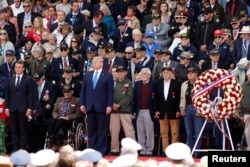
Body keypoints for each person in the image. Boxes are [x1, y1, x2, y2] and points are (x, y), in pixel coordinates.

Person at [80, 56, 114, 155]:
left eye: (96, 61)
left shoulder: (107, 75)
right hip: (89, 106)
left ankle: (101, 151)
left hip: (102, 106)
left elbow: (110, 92)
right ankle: (92, 149)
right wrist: (82, 103)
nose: (93, 63)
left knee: (102, 130)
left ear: (102, 63)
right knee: (91, 129)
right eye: (93, 62)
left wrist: (109, 105)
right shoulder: (88, 75)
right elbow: (83, 91)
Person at [5, 60, 33, 151]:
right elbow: (7, 94)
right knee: (14, 129)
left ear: (23, 68)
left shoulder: (28, 79)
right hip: (12, 107)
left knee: (23, 130)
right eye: (16, 67)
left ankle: (22, 147)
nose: (17, 69)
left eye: (19, 67)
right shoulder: (10, 79)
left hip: (23, 108)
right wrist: (7, 107)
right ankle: (15, 147)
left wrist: (29, 108)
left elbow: (31, 95)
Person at [154, 66, 181, 155]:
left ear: (171, 73)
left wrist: (178, 110)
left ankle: (174, 151)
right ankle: (165, 150)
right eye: (164, 73)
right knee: (164, 133)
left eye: (167, 72)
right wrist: (156, 110)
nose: (165, 74)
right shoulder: (158, 83)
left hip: (173, 111)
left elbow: (178, 99)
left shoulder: (176, 83)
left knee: (174, 133)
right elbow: (155, 98)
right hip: (162, 112)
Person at [109, 65, 135, 155]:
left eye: (122, 72)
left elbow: (130, 97)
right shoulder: (113, 82)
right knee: (114, 131)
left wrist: (119, 105)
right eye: (118, 72)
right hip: (114, 111)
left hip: (125, 110)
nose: (120, 73)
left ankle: (131, 150)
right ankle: (114, 149)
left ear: (125, 73)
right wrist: (112, 104)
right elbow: (109, 94)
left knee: (129, 131)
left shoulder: (129, 82)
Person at [180, 67, 204, 157]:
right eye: (188, 73)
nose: (190, 75)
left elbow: (204, 98)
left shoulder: (200, 84)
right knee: (189, 132)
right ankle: (190, 151)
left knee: (198, 132)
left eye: (192, 73)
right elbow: (182, 98)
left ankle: (196, 151)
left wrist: (201, 110)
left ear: (196, 74)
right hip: (187, 108)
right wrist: (181, 108)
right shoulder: (184, 84)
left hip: (197, 109)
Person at [48, 84, 81, 151]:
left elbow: (77, 114)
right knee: (51, 121)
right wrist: (58, 117)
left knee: (60, 121)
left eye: (68, 91)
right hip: (58, 119)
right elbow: (54, 112)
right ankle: (55, 138)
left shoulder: (77, 100)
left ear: (72, 92)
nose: (66, 93)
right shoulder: (59, 99)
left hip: (68, 120)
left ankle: (54, 139)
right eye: (64, 91)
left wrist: (67, 117)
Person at [29, 70, 56, 152]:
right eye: (35, 80)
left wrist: (50, 104)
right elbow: (32, 98)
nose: (37, 82)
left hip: (46, 111)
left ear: (42, 78)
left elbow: (53, 97)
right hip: (35, 111)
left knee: (43, 129)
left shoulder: (50, 86)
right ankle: (34, 147)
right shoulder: (33, 85)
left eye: (38, 80)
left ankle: (42, 146)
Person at [133, 68, 155, 156]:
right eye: (142, 74)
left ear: (149, 75)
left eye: (145, 74)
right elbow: (134, 99)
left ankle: (150, 149)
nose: (143, 75)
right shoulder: (137, 84)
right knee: (140, 131)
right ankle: (142, 149)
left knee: (149, 131)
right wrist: (134, 112)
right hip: (139, 111)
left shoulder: (153, 84)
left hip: (149, 111)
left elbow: (156, 98)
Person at [238, 68, 250, 151]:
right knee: (248, 134)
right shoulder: (243, 86)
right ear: (247, 76)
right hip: (247, 114)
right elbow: (240, 100)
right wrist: (240, 114)